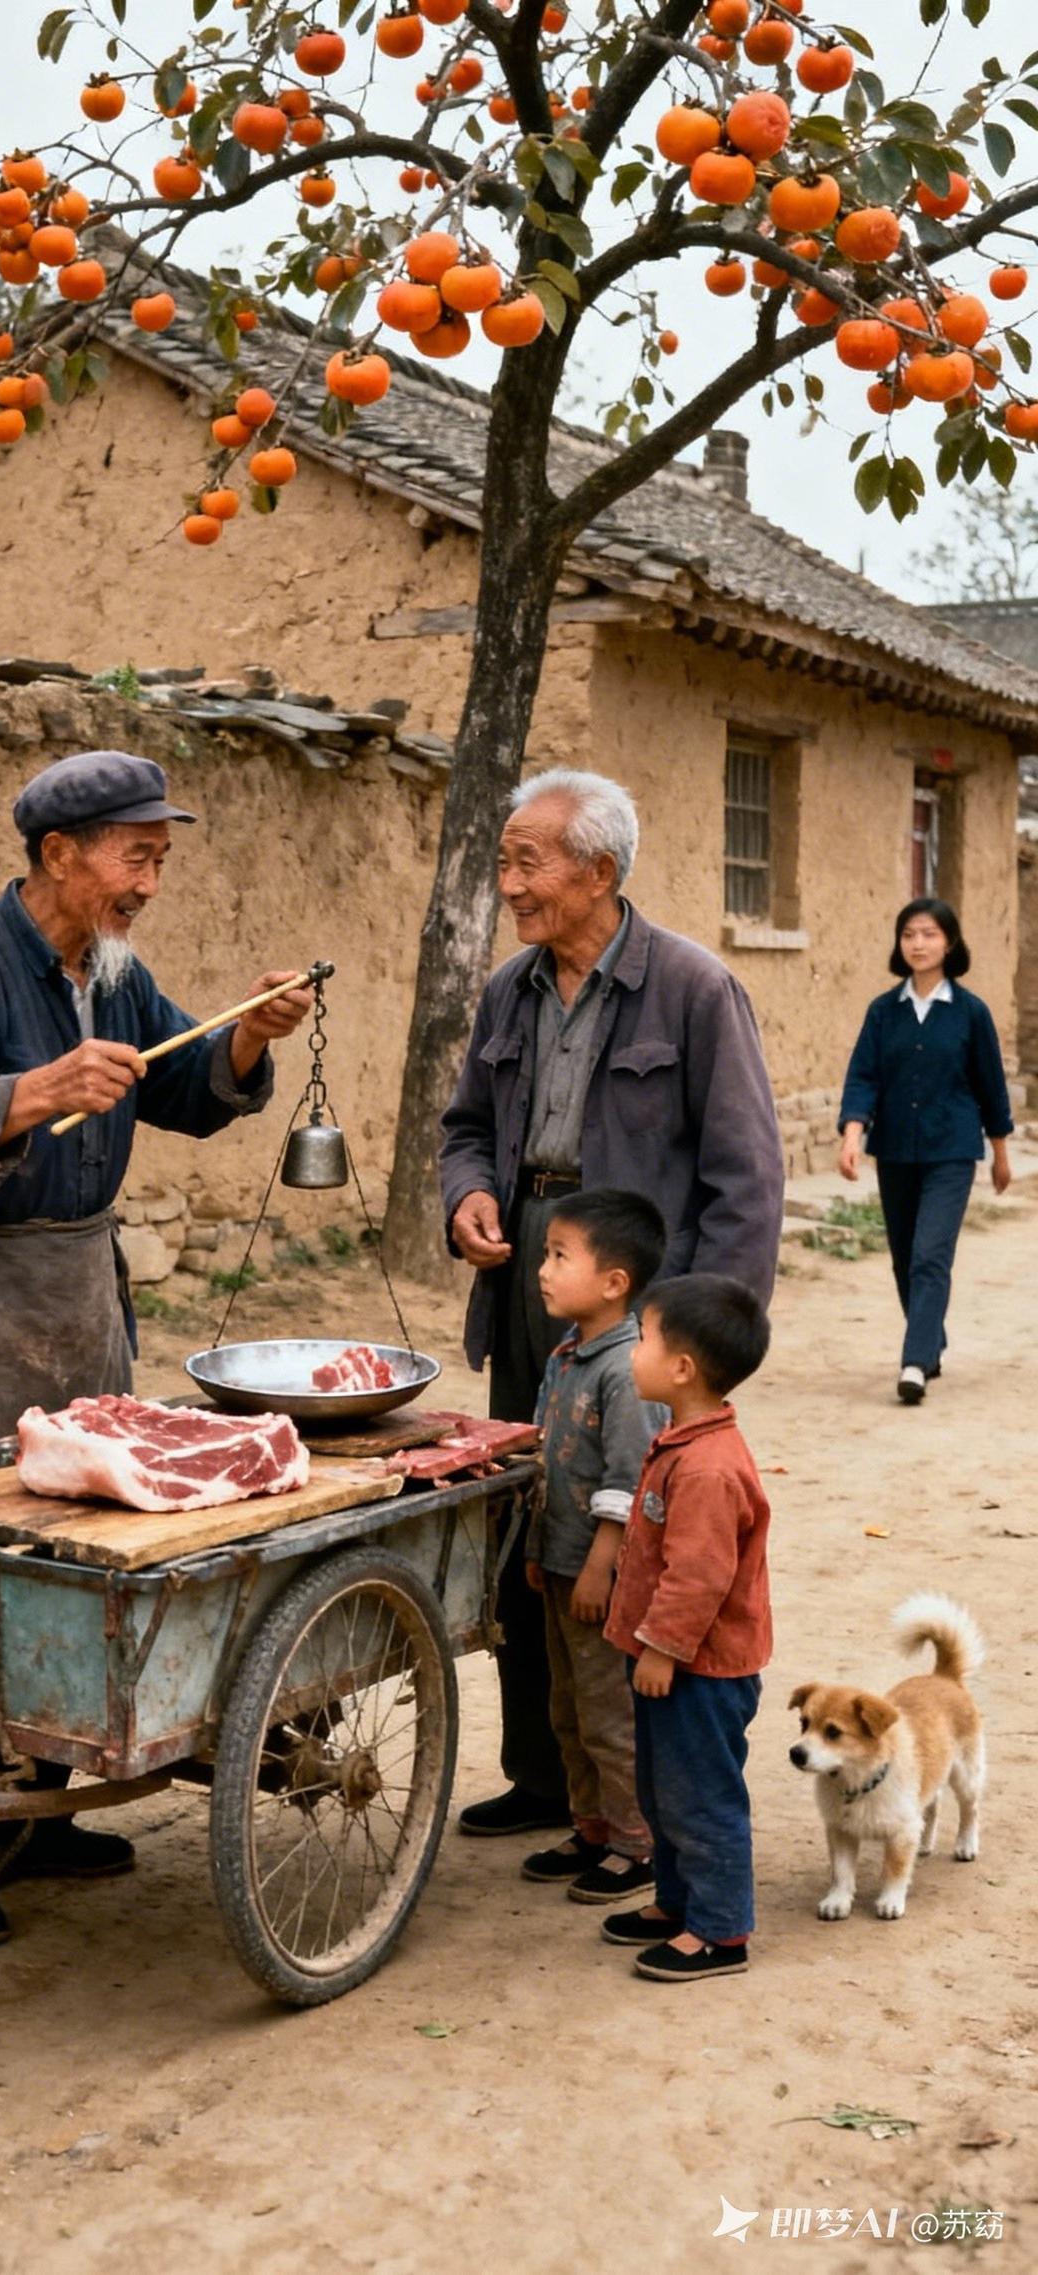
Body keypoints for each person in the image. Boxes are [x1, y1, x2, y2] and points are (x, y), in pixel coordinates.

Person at [0, 747, 311, 1946]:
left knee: (65, 1567)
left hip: (74, 1299)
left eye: (159, 857)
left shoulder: (112, 971)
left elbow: (192, 1088)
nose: (149, 881)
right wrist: (32, 1089)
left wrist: (251, 1037)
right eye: (134, 856)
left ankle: (34, 1813)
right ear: (59, 855)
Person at [439, 768, 784, 1839]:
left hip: (642, 1312)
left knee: (639, 1541)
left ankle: (644, 1805)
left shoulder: (691, 988)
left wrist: (698, 1345)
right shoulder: (508, 992)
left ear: (597, 870)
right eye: (503, 861)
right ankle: (548, 1781)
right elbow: (461, 1128)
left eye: (525, 861)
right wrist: (470, 1197)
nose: (507, 884)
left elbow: (745, 1180)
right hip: (529, 1286)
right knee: (529, 1533)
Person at [601, 1273, 772, 1983]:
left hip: (699, 1669)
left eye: (642, 1338)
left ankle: (721, 1930)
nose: (631, 1352)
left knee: (700, 1797)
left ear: (682, 1368)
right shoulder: (684, 1439)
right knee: (663, 1791)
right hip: (672, 1664)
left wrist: (663, 1648)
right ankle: (678, 1902)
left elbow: (698, 1575)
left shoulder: (705, 1470)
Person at [520, 1189, 667, 1910]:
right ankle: (591, 1826)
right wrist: (538, 1548)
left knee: (610, 1717)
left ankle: (636, 1844)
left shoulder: (628, 1369)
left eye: (558, 1256)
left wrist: (600, 1566)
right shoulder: (567, 1355)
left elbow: (631, 1481)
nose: (542, 1269)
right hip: (559, 1565)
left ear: (615, 1282)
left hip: (601, 1579)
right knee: (568, 1709)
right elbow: (550, 1456)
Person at [838, 896, 1012, 1407]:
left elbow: (991, 1086)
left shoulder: (971, 1013)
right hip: (894, 1148)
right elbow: (862, 1078)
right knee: (903, 1257)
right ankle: (930, 1340)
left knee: (930, 1256)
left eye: (929, 934)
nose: (918, 943)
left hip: (952, 1150)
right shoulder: (882, 1012)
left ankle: (913, 1362)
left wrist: (1000, 1153)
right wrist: (852, 1135)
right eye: (909, 934)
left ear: (950, 943)